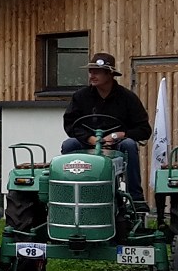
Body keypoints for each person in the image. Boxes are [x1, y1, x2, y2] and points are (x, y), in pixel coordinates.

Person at [62, 52, 150, 204]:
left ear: (110, 74)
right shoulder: (81, 96)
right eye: (91, 71)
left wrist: (119, 135)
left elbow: (144, 129)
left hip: (117, 144)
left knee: (129, 145)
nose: (92, 75)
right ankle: (68, 194)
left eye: (97, 72)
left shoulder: (127, 98)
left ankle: (136, 199)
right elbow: (70, 124)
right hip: (88, 142)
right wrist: (90, 138)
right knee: (69, 145)